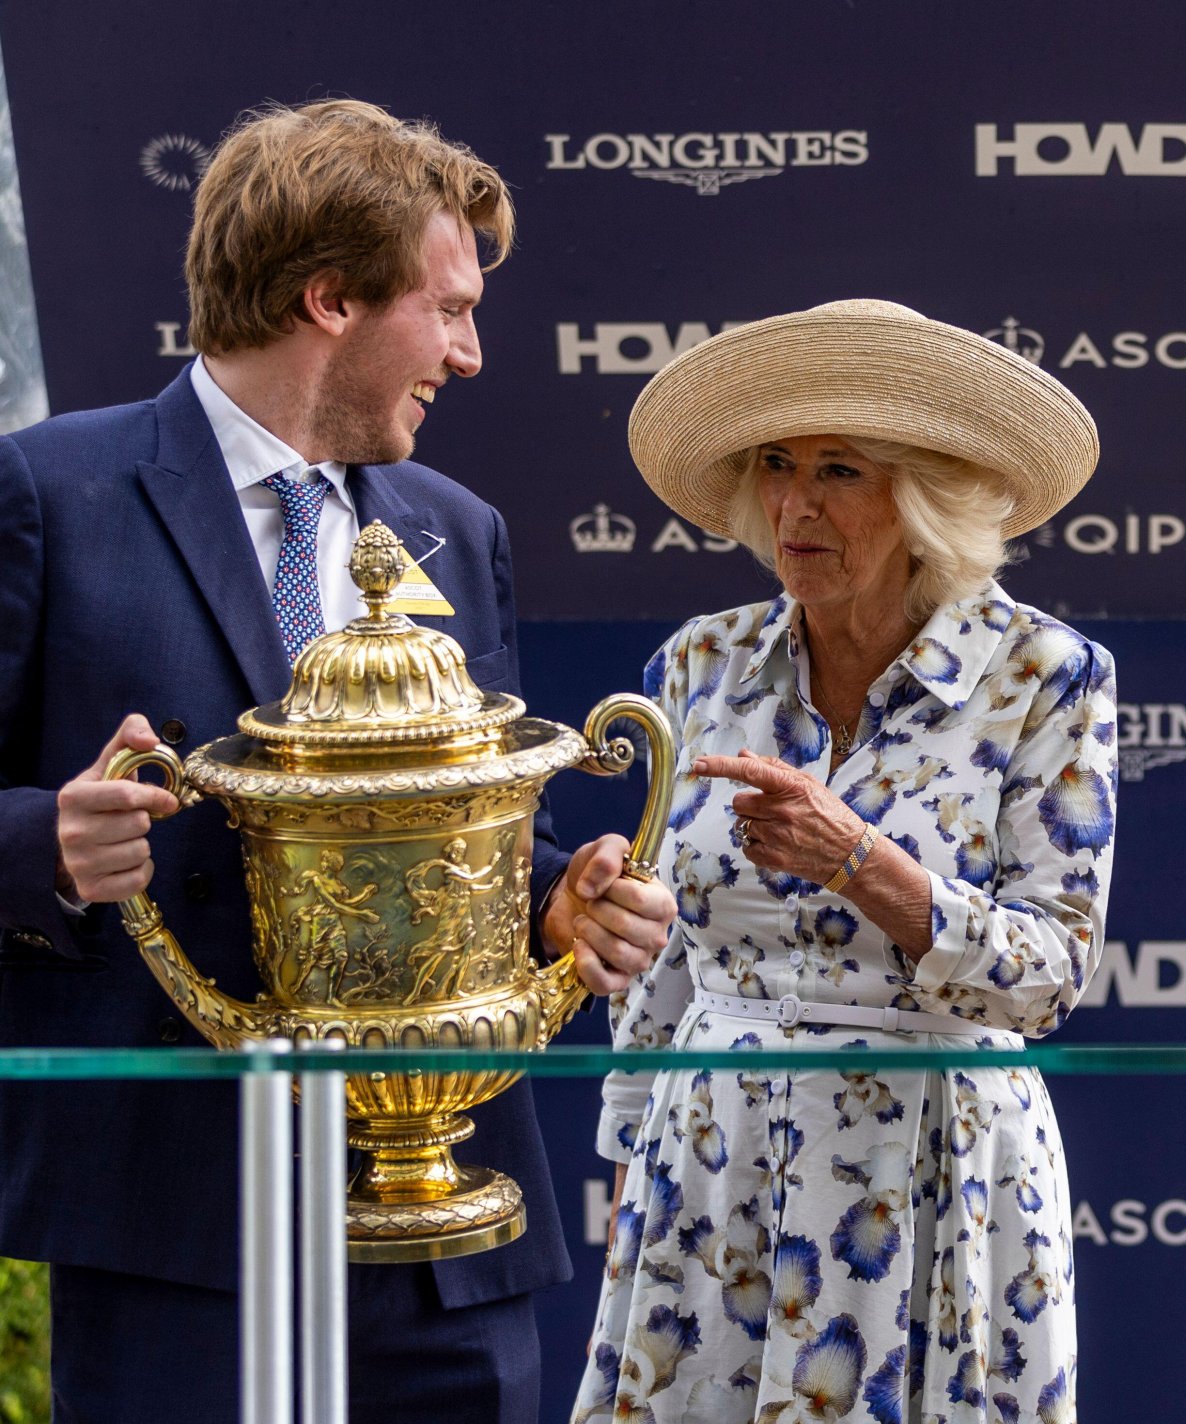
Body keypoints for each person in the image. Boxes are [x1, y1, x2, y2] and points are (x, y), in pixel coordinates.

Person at [0, 99, 674, 1424]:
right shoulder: (46, 493)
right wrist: (42, 846)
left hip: (449, 1231)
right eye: (450, 307)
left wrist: (555, 894)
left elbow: (459, 831)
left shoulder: (455, 526)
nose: (471, 354)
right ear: (329, 300)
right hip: (180, 1236)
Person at [571, 300, 1115, 1423]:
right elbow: (668, 946)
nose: (794, 504)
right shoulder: (703, 660)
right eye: (775, 463)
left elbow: (1053, 970)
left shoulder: (1046, 674)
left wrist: (863, 861)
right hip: (709, 1164)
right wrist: (634, 1146)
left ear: (925, 498)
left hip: (931, 1168)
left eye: (840, 470)